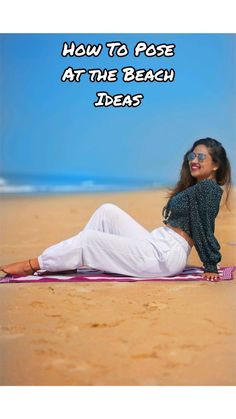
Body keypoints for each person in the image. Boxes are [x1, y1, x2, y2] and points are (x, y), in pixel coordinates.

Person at [0, 137, 232, 282]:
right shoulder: (197, 188)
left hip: (165, 255)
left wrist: (210, 264)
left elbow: (204, 228)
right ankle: (69, 260)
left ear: (216, 165)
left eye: (201, 156)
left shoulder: (210, 189)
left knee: (89, 240)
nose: (194, 160)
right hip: (157, 243)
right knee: (107, 211)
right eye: (192, 155)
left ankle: (34, 264)